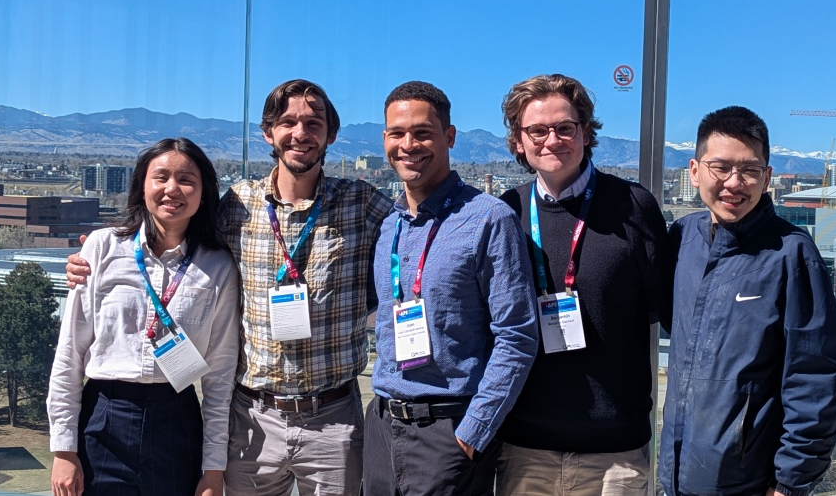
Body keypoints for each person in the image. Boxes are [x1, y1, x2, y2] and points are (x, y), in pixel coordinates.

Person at [66, 80, 392, 496]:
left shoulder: (362, 203)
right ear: (267, 132)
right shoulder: (237, 204)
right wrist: (96, 255)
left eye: (313, 123)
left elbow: (420, 233)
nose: (300, 133)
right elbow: (175, 238)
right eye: (288, 122)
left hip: (332, 418)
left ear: (331, 134)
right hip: (251, 419)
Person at [494, 74, 672, 496]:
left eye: (565, 127)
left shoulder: (633, 205)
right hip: (525, 448)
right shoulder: (507, 210)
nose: (551, 139)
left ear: (586, 133)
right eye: (536, 130)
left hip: (613, 454)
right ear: (518, 142)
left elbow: (666, 308)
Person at [659, 107, 836, 496]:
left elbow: (814, 377)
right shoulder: (682, 238)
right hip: (676, 476)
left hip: (749, 482)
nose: (734, 182)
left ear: (768, 177)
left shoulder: (791, 255)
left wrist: (791, 483)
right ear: (694, 171)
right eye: (721, 167)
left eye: (749, 170)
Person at [364, 80, 540, 496]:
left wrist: (473, 430)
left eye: (423, 132)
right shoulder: (388, 224)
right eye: (397, 133)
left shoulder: (488, 219)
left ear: (449, 136)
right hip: (383, 426)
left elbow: (517, 333)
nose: (409, 144)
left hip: (449, 431)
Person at [48, 137, 240, 496]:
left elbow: (220, 378)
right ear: (142, 186)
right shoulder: (102, 247)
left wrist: (213, 470)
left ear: (203, 193)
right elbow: (69, 353)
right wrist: (63, 449)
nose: (172, 189)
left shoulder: (218, 266)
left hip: (176, 421)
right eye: (161, 177)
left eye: (187, 180)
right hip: (103, 416)